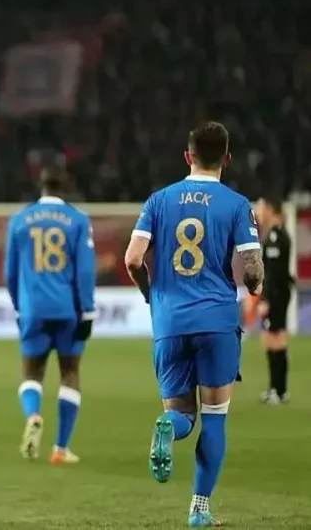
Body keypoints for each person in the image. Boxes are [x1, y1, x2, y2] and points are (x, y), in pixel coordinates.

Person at [124, 122, 264, 527]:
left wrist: (151, 294)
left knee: (182, 414)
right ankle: (199, 509)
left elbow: (133, 259)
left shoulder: (158, 201)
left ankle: (168, 427)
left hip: (170, 319)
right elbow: (252, 269)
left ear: (187, 156)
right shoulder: (236, 204)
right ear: (227, 159)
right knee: (215, 415)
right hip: (216, 320)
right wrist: (255, 287)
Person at [4, 166, 96, 464]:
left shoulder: (19, 220)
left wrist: (19, 306)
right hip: (68, 309)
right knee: (70, 373)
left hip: (33, 310)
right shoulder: (78, 219)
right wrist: (88, 310)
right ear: (66, 187)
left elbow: (10, 273)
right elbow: (85, 270)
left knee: (31, 374)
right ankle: (60, 448)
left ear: (40, 186)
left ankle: (33, 415)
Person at [254, 196, 294, 405]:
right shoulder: (276, 234)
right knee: (273, 338)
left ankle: (277, 390)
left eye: (261, 208)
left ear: (270, 209)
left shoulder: (275, 236)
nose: (258, 213)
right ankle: (278, 389)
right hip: (280, 293)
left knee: (273, 339)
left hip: (276, 295)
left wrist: (266, 299)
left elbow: (274, 274)